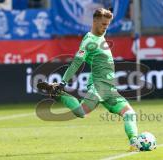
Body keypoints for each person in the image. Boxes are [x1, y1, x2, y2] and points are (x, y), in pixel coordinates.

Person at [37, 8, 139, 151]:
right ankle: (58, 93)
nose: (105, 27)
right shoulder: (89, 40)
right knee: (82, 113)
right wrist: (63, 82)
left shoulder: (100, 36)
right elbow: (76, 63)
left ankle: (134, 143)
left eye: (108, 25)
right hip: (98, 85)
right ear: (95, 21)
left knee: (129, 113)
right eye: (103, 24)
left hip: (109, 87)